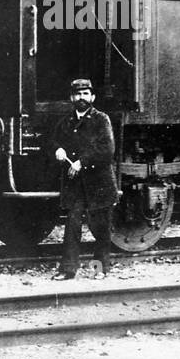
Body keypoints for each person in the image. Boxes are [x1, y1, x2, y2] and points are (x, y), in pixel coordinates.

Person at [48, 78, 118, 280]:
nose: (82, 98)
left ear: (93, 97)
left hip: (99, 183)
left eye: (86, 94)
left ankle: (100, 269)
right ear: (71, 97)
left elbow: (107, 149)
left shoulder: (101, 119)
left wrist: (82, 162)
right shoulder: (65, 122)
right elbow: (52, 141)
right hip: (76, 186)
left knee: (100, 229)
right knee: (72, 227)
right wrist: (57, 149)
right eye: (78, 94)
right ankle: (68, 270)